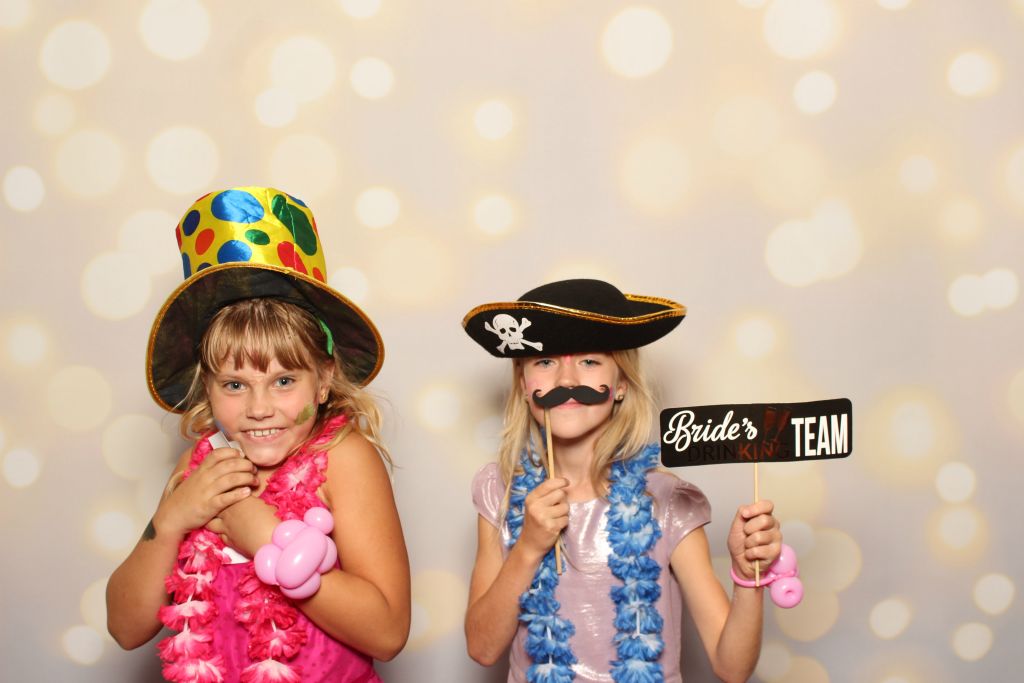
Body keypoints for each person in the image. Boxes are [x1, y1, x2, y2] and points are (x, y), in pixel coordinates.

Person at [106, 187, 410, 682]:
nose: (259, 407)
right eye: (234, 385)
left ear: (324, 379)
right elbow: (125, 627)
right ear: (207, 387)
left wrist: (267, 540)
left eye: (284, 381)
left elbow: (388, 631)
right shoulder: (202, 465)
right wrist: (174, 517)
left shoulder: (343, 458)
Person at [462, 278, 782, 683]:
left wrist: (748, 577)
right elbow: (482, 648)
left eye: (589, 361)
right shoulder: (501, 490)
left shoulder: (666, 500)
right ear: (525, 386)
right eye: (545, 362)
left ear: (621, 385)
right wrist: (528, 547)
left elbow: (731, 667)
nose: (566, 380)